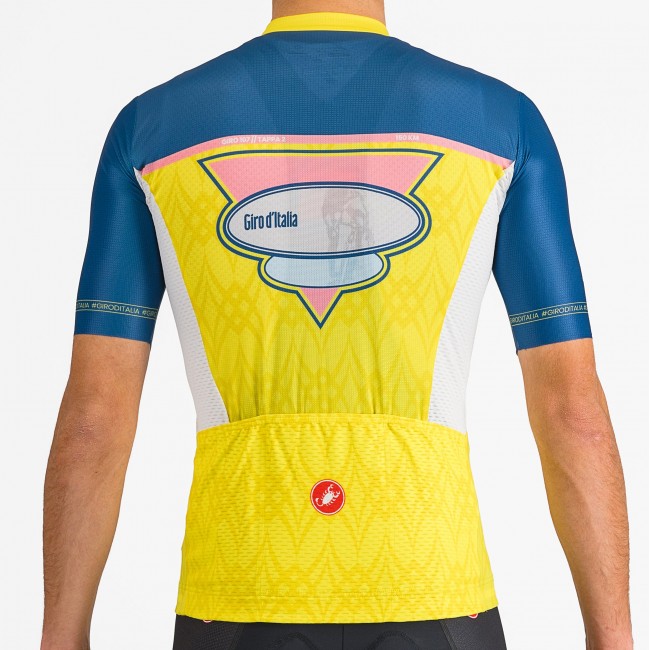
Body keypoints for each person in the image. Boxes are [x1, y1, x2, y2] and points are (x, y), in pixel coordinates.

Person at [41, 1, 633, 649]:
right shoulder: (500, 122)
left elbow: (95, 416)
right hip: (435, 589)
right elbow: (571, 411)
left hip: (238, 588)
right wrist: (614, 638)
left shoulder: (154, 128)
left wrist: (60, 636)